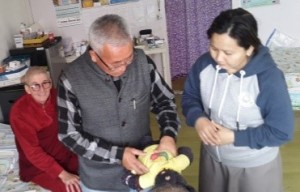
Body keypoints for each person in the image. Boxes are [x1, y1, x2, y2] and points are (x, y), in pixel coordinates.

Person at [57, 14, 180, 191]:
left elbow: (165, 102)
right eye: (115, 64)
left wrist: (168, 135)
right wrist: (117, 154)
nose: (124, 68)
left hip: (144, 169)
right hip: (100, 180)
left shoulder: (142, 62)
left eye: (128, 58)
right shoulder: (71, 78)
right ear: (94, 55)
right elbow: (68, 134)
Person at [181, 8, 294, 192]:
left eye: (228, 52)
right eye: (214, 48)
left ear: (249, 48)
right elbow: (190, 97)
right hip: (212, 161)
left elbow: (282, 131)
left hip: (254, 169)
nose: (218, 58)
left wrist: (234, 137)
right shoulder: (204, 64)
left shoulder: (269, 79)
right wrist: (198, 119)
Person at [10, 66, 81, 192]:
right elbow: (33, 153)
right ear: (27, 89)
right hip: (39, 166)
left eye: (45, 83)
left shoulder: (58, 95)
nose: (42, 89)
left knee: (98, 175)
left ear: (51, 83)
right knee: (76, 189)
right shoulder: (19, 112)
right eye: (35, 85)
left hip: (66, 154)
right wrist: (64, 175)